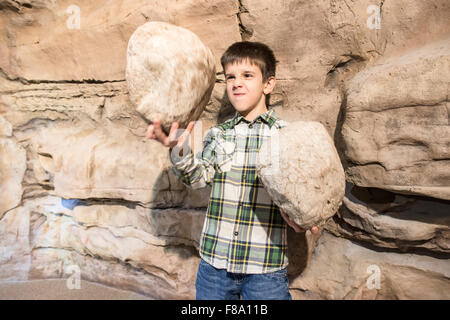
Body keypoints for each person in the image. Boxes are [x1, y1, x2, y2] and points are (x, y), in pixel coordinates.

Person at [147, 41, 318, 300]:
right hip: (215, 265)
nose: (237, 83)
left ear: (268, 84)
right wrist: (179, 149)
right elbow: (198, 177)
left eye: (247, 75)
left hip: (265, 268)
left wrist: (304, 218)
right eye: (230, 77)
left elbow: (301, 194)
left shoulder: (285, 136)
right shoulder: (218, 134)